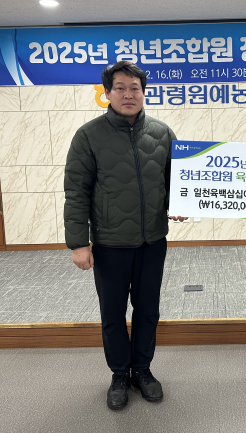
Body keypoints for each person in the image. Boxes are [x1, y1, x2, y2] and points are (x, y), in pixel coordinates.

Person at [64, 61, 186, 411]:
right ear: (107, 93)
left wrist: (180, 203)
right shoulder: (88, 136)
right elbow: (76, 191)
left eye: (135, 88)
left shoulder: (163, 133)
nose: (128, 94)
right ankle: (119, 373)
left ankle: (142, 370)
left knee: (148, 311)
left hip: (152, 242)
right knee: (113, 313)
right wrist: (78, 243)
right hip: (110, 244)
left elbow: (176, 180)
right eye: (120, 87)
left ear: (144, 92)